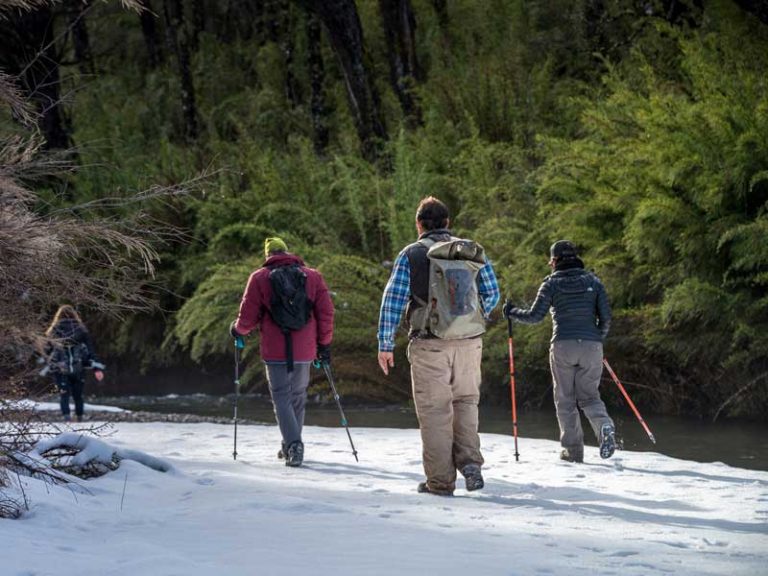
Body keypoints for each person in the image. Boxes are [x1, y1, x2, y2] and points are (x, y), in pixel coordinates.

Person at [377, 197, 500, 496]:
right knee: (466, 403)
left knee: (436, 412)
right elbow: (493, 294)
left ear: (418, 224)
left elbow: (392, 300)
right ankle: (471, 464)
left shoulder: (411, 255)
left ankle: (441, 482)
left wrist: (385, 343)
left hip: (429, 343)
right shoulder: (470, 250)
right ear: (447, 223)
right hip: (470, 343)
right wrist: (468, 319)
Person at [503, 240, 616, 463]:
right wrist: (596, 340)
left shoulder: (551, 284)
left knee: (565, 399)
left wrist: (511, 312)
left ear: (555, 261)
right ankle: (605, 426)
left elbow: (535, 317)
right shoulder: (594, 281)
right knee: (590, 396)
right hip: (592, 347)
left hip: (563, 345)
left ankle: (573, 452)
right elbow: (606, 318)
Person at [230, 237, 334, 467]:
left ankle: (294, 444)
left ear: (268, 256)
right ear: (287, 252)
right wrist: (324, 344)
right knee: (297, 396)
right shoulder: (312, 276)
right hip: (305, 349)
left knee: (281, 397)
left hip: (275, 349)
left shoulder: (259, 278)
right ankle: (289, 443)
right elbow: (326, 313)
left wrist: (236, 330)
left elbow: (247, 317)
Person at [44, 305, 104, 422]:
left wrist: (49, 363)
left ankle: (67, 418)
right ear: (74, 315)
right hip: (79, 367)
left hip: (60, 368)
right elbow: (90, 350)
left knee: (64, 394)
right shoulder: (81, 329)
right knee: (78, 395)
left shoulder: (54, 330)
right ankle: (79, 418)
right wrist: (97, 368)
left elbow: (47, 350)